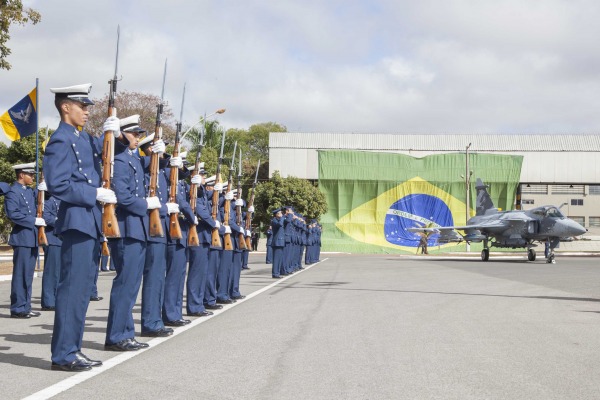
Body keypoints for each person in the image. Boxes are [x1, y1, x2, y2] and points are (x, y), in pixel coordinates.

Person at [44, 83, 123, 371]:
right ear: (66, 107)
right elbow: (58, 184)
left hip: (89, 223)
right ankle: (64, 354)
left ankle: (72, 350)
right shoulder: (60, 140)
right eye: (83, 106)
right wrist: (93, 195)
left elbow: (104, 152)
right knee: (72, 290)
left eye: (89, 107)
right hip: (76, 223)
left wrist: (118, 135)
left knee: (80, 292)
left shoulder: (81, 138)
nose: (88, 111)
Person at [104, 115, 159, 351]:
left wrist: (160, 153)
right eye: (134, 134)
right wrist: (145, 205)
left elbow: (156, 167)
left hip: (137, 230)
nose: (138, 138)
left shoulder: (132, 159)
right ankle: (117, 336)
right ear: (121, 134)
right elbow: (124, 196)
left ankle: (126, 333)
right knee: (125, 284)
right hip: (126, 229)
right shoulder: (118, 159)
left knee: (131, 285)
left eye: (139, 135)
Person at [138, 133, 179, 337]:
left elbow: (180, 175)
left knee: (158, 278)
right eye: (160, 147)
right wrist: (164, 208)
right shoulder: (145, 169)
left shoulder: (160, 171)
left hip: (161, 229)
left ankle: (155, 320)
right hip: (151, 229)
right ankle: (150, 322)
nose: (165, 150)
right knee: (153, 278)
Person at [5, 162, 43, 318]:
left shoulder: (29, 191)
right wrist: (33, 220)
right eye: (30, 174)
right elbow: (12, 214)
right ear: (21, 175)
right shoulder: (13, 192)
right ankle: (18, 308)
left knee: (28, 274)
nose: (32, 177)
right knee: (20, 274)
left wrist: (43, 188)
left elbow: (41, 200)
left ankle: (25, 306)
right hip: (22, 238)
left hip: (32, 238)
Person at [41, 193, 61, 311]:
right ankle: (48, 301)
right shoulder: (49, 201)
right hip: (53, 239)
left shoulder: (64, 200)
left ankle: (56, 298)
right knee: (51, 271)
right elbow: (46, 217)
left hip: (62, 240)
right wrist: (61, 222)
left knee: (60, 272)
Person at [270, 208, 285, 278]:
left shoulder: (279, 219)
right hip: (277, 242)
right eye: (280, 213)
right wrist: (282, 218)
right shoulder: (274, 220)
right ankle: (275, 273)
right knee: (276, 259)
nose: (281, 214)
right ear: (276, 214)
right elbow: (280, 224)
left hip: (280, 242)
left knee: (279, 259)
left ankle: (277, 272)